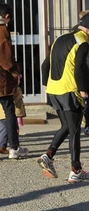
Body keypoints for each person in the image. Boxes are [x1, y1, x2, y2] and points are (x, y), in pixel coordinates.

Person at [39, 13, 89, 183]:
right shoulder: (82, 43)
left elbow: (45, 66)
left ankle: (48, 155)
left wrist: (48, 86)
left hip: (54, 89)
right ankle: (76, 170)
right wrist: (83, 93)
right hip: (69, 90)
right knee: (74, 131)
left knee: (67, 125)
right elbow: (78, 71)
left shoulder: (60, 39)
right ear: (88, 30)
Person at [0, 3, 29, 159]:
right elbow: (5, 58)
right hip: (1, 81)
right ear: (7, 16)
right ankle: (14, 148)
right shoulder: (2, 29)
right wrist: (15, 71)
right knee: (9, 111)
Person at [0, 77, 26, 155]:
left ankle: (2, 145)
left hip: (2, 114)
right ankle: (14, 147)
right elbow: (18, 103)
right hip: (13, 114)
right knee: (14, 129)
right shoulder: (15, 90)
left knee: (3, 131)